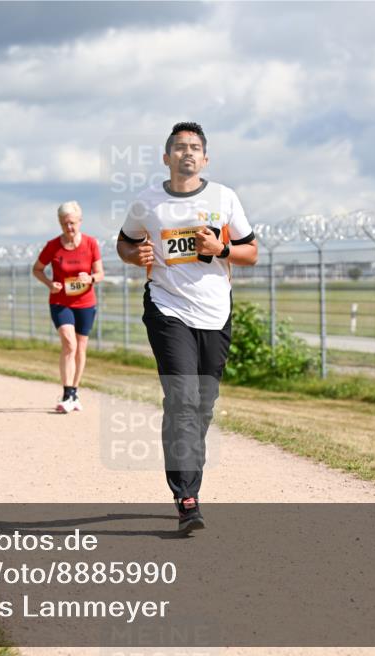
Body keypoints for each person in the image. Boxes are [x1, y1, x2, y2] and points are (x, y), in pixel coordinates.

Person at [117, 122, 258, 532]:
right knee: (182, 398)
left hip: (215, 312)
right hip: (167, 307)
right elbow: (124, 242)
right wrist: (135, 255)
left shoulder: (224, 198)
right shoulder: (147, 202)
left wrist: (221, 248)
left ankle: (188, 465)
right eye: (180, 147)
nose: (188, 153)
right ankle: (187, 497)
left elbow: (252, 252)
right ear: (167, 157)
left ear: (205, 158)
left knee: (202, 404)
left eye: (195, 147)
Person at [32, 201, 105, 413]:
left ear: (80, 221)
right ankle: (66, 394)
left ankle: (74, 392)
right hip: (60, 301)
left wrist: (90, 278)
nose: (69, 227)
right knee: (69, 343)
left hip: (86, 302)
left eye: (72, 223)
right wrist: (49, 283)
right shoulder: (53, 246)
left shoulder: (91, 243)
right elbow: (37, 269)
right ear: (59, 223)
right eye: (64, 224)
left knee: (80, 348)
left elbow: (100, 273)